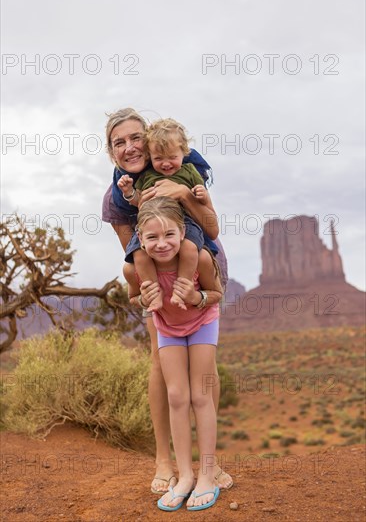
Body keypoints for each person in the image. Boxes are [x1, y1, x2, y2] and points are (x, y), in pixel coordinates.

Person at [101, 107, 233, 493]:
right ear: (111, 153)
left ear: (150, 138)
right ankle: (166, 460)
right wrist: (142, 290)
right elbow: (134, 250)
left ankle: (209, 460)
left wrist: (181, 194)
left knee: (205, 368)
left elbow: (210, 225)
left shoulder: (180, 167)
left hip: (202, 265)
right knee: (162, 360)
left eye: (134, 138)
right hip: (157, 276)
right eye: (118, 143)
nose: (129, 147)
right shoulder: (117, 196)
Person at [124, 196, 221, 511]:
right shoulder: (134, 268)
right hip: (168, 328)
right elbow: (133, 296)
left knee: (200, 396)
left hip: (202, 322)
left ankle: (207, 473)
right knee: (177, 396)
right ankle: (185, 477)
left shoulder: (200, 259)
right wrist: (143, 299)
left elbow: (217, 294)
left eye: (169, 235)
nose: (162, 244)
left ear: (183, 232)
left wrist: (196, 295)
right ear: (140, 237)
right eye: (152, 237)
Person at [117, 118, 213, 312]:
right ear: (150, 157)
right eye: (159, 159)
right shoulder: (148, 176)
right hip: (151, 223)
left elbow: (202, 197)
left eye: (172, 157)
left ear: (183, 153)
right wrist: (129, 193)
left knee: (188, 247)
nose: (166, 163)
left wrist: (198, 195)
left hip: (183, 221)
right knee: (138, 254)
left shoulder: (190, 171)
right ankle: (154, 295)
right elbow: (139, 200)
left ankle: (182, 287)